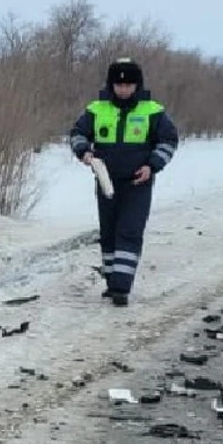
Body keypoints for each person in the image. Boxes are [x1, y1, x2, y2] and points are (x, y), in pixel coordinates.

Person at [68, 57, 179, 305]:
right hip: (106, 181)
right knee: (108, 234)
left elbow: (168, 141)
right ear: (111, 85)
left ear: (137, 85)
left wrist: (152, 166)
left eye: (129, 85)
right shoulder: (97, 109)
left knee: (129, 231)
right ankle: (112, 282)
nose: (124, 89)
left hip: (138, 182)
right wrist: (84, 152)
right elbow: (77, 133)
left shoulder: (153, 111)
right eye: (119, 85)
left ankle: (121, 287)